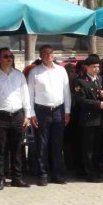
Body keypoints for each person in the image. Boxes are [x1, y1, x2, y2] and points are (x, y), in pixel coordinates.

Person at [0, 48, 31, 189]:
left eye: (11, 56)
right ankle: (0, 178)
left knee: (17, 148)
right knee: (0, 148)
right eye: (6, 56)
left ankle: (17, 177)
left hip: (17, 115)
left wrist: (27, 115)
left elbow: (25, 96)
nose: (9, 58)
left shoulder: (19, 76)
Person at [28, 45, 71, 186]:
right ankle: (43, 173)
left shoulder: (61, 70)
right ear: (40, 55)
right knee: (42, 143)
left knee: (57, 143)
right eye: (45, 53)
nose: (48, 55)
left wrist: (67, 111)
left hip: (58, 109)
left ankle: (57, 173)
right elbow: (29, 94)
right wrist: (31, 113)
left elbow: (66, 92)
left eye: (50, 53)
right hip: (41, 110)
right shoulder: (35, 72)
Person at [73, 55, 103, 183]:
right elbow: (81, 100)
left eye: (98, 67)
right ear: (86, 67)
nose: (96, 69)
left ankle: (96, 170)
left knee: (97, 147)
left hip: (100, 119)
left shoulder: (99, 79)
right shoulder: (80, 81)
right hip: (88, 119)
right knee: (88, 148)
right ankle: (89, 172)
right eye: (94, 67)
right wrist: (97, 104)